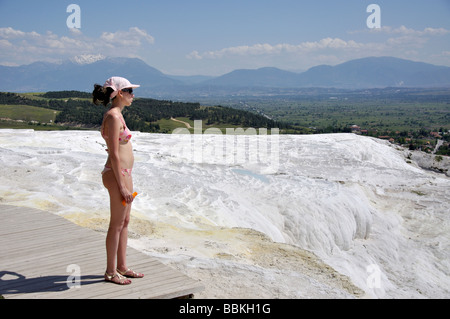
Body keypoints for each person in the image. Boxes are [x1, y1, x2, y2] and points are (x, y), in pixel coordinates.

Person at [92, 76, 144, 285]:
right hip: (117, 175)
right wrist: (122, 185)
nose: (133, 95)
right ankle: (111, 271)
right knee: (116, 224)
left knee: (125, 222)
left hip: (123, 173)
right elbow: (114, 153)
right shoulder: (113, 117)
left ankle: (122, 267)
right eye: (130, 91)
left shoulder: (117, 115)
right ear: (120, 93)